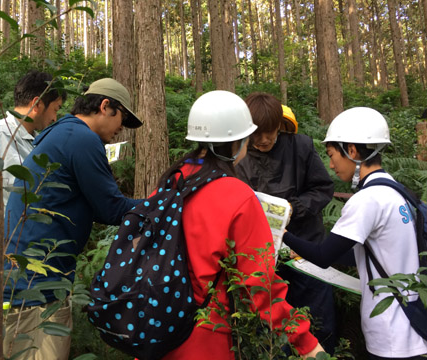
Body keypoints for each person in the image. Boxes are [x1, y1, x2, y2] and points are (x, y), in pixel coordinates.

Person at [0, 78, 144, 360]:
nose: (120, 130)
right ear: (106, 106)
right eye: (122, 118)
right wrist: (164, 204)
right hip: (31, 291)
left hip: (13, 283)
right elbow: (112, 209)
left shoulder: (60, 133)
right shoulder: (82, 139)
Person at [159, 90, 324, 359]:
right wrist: (306, 343)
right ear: (239, 142)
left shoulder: (173, 179)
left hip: (156, 322)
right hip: (203, 335)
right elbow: (260, 284)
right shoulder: (237, 196)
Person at [283, 107, 427, 359]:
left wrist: (282, 234)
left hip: (390, 333)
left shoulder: (367, 200)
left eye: (331, 155)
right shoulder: (398, 192)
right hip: (413, 322)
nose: (330, 165)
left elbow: (324, 256)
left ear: (351, 150)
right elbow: (364, 254)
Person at [235, 93, 337, 353]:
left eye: (269, 133)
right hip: (263, 255)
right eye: (256, 134)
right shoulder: (239, 154)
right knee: (269, 321)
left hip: (306, 248)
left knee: (318, 319)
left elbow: (323, 187)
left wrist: (295, 208)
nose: (264, 140)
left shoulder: (300, 146)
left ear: (280, 125)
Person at [0, 70, 66, 269]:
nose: (55, 117)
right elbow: (20, 190)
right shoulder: (0, 135)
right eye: (55, 109)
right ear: (38, 103)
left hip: (28, 241)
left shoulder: (30, 139)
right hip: (11, 243)